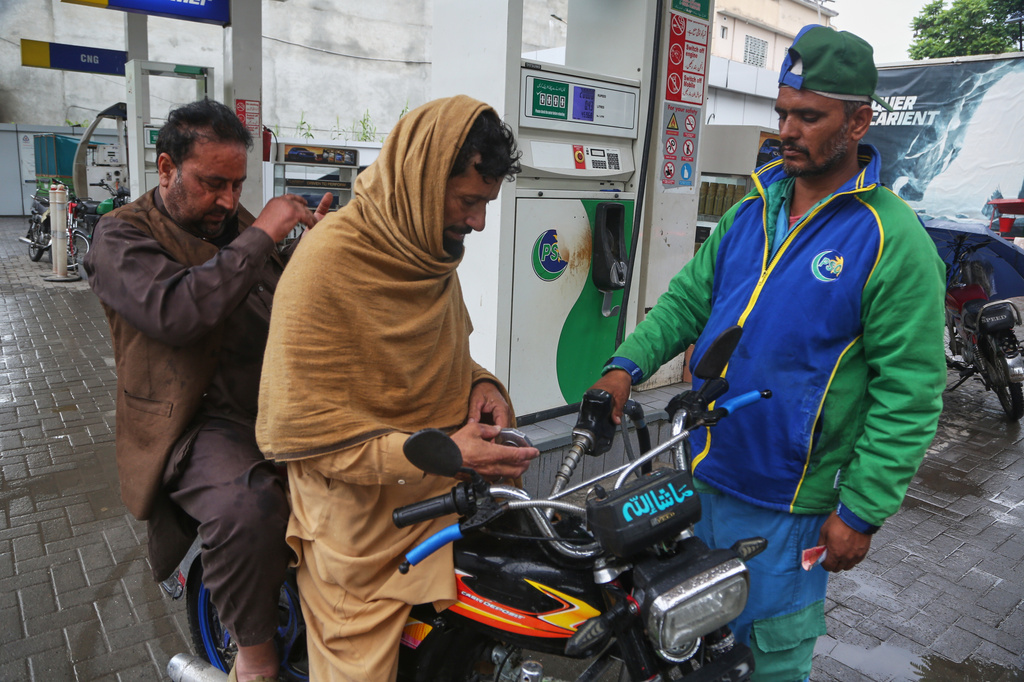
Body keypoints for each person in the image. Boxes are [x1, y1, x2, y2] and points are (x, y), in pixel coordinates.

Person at [587, 25, 946, 682]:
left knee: (766, 660)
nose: (787, 130)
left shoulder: (892, 238)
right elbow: (686, 303)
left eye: (808, 116)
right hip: (702, 474)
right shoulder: (750, 211)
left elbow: (911, 393)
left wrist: (861, 510)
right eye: (782, 113)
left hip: (790, 503)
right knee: (687, 645)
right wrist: (623, 369)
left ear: (858, 120)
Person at [255, 95, 539, 681]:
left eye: (486, 204)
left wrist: (482, 384)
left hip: (449, 492)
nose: (479, 223)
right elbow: (306, 435)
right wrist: (446, 451)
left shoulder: (427, 256)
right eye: (469, 201)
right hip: (360, 521)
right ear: (423, 181)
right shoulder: (325, 264)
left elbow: (449, 355)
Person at [84, 98, 332, 682]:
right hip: (194, 422)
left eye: (237, 185)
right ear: (166, 168)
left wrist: (311, 250)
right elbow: (177, 312)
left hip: (272, 402)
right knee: (247, 507)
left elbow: (272, 289)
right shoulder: (119, 236)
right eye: (212, 183)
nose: (227, 199)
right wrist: (264, 231)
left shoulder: (232, 223)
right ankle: (255, 657)